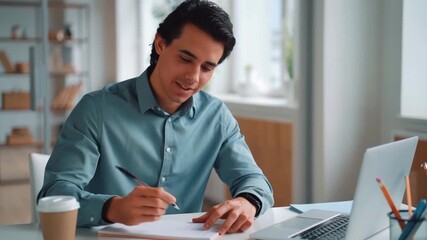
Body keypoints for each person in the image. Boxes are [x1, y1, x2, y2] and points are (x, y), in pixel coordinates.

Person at [38, 0, 274, 235]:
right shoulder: (96, 109)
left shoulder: (216, 117)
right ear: (160, 44)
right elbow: (55, 194)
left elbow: (254, 179)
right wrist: (112, 208)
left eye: (206, 68)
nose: (193, 77)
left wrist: (248, 202)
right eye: (185, 59)